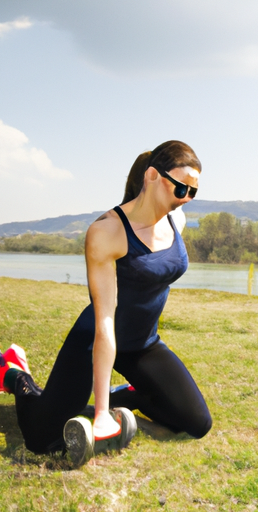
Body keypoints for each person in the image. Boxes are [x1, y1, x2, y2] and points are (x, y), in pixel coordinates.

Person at [0, 140, 212, 466]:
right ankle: (15, 375)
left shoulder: (176, 220)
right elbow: (105, 322)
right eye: (181, 188)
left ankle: (127, 393)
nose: (185, 199)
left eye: (192, 192)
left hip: (143, 344)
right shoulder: (107, 232)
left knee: (196, 423)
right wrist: (100, 415)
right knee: (42, 439)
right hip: (95, 339)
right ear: (152, 176)